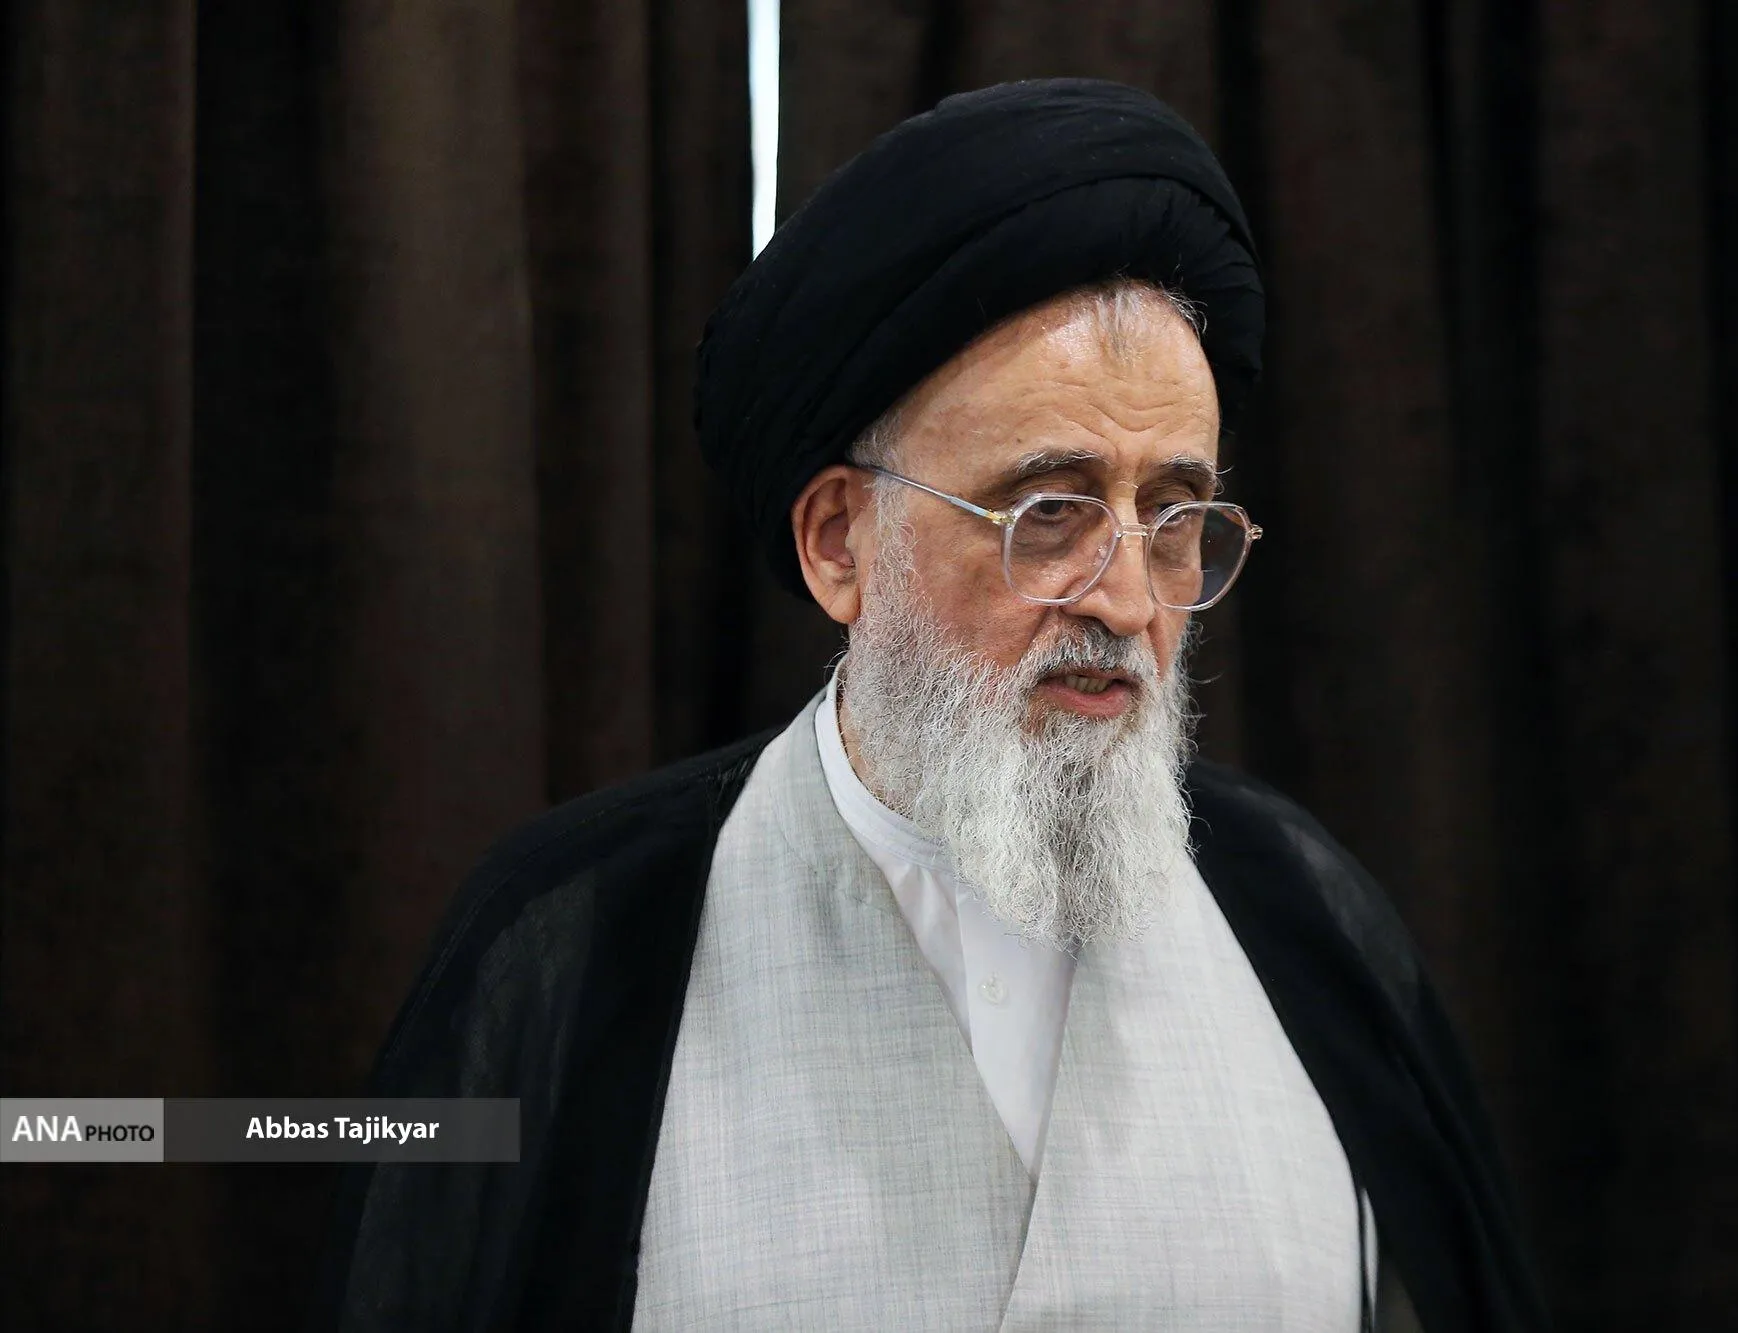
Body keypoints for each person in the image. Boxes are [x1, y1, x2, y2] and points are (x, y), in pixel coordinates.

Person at [312, 79, 1545, 1333]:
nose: (1127, 599)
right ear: (839, 542)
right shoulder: (573, 942)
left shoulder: (1305, 914)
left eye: (1173, 519)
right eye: (1047, 513)